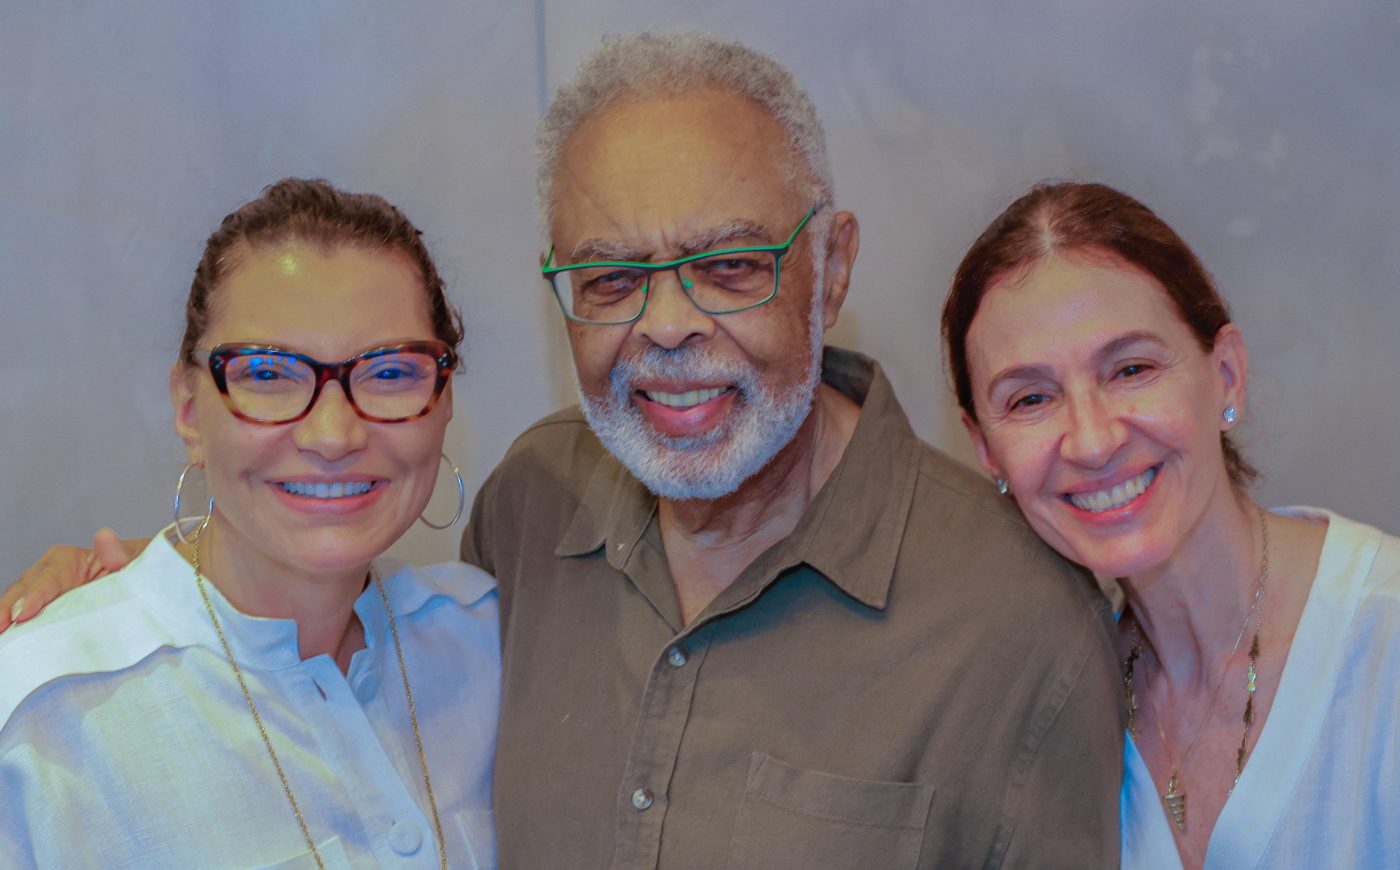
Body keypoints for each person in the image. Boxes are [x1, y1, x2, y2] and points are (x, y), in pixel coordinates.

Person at [2, 34, 1122, 868]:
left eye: (729, 265)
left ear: (829, 270)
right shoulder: (532, 514)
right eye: (611, 279)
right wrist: (127, 597)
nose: (669, 325)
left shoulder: (1015, 619)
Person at [0, 179, 500, 869]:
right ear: (187, 410)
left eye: (390, 372)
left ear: (444, 402)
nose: (333, 434)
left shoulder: (489, 641)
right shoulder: (38, 725)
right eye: (268, 373)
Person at [941, 180, 1400, 869]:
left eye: (1130, 369)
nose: (1092, 441)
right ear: (984, 449)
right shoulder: (1052, 706)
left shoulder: (1384, 645)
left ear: (1227, 375)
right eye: (1031, 398)